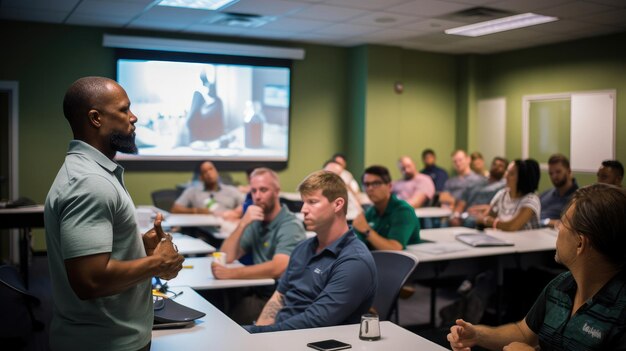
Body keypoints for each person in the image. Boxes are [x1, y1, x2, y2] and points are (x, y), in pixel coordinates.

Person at [44, 77, 184, 351]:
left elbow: (97, 259)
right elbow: (90, 280)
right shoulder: (89, 182)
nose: (134, 117)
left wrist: (138, 247)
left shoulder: (92, 173)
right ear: (95, 118)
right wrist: (157, 264)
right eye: (123, 110)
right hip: (105, 343)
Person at [448, 184, 626, 351]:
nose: (558, 229)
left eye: (562, 224)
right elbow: (524, 333)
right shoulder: (561, 285)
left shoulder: (620, 310)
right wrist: (477, 334)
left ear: (580, 243)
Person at [245, 171, 377, 333]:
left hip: (313, 340)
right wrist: (259, 332)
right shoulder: (303, 248)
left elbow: (315, 321)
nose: (303, 209)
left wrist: (258, 333)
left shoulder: (354, 261)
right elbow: (279, 297)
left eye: (312, 202)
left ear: (337, 204)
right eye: (303, 202)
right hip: (280, 334)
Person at [211, 167, 306, 324]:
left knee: (233, 315)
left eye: (263, 190)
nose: (257, 196)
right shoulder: (256, 221)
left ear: (276, 191)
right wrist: (242, 223)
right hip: (256, 290)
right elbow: (227, 256)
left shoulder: (290, 224)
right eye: (253, 191)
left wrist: (230, 274)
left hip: (279, 297)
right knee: (215, 300)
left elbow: (279, 267)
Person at [352, 165, 421, 250]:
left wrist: (366, 230)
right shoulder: (371, 211)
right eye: (366, 184)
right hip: (379, 260)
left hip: (404, 261)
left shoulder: (403, 211)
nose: (370, 188)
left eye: (376, 184)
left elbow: (395, 248)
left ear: (389, 186)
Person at [476, 159, 541, 231]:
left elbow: (512, 226)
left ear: (522, 178)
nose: (506, 175)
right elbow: (484, 218)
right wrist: (486, 220)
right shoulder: (502, 194)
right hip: (500, 239)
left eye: (511, 173)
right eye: (507, 171)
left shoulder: (531, 199)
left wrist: (491, 222)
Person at [171, 160, 244, 220]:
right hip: (202, 230)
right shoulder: (193, 191)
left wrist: (236, 213)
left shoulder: (231, 190)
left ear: (217, 172)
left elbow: (247, 205)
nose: (209, 173)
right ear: (201, 177)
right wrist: (197, 211)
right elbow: (175, 209)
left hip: (228, 226)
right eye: (205, 172)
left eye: (211, 169)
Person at [450, 157, 508, 228]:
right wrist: (456, 215)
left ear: (505, 170)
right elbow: (462, 202)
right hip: (465, 214)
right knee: (447, 221)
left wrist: (477, 209)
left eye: (501, 166)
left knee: (469, 221)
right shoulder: (476, 182)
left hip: (482, 216)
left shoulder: (504, 186)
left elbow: (496, 207)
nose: (496, 167)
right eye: (494, 164)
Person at [176, 65, 224, 146]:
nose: (207, 88)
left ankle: (188, 122)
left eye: (207, 85)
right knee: (197, 95)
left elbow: (209, 118)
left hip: (208, 135)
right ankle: (187, 122)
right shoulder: (212, 103)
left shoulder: (218, 102)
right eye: (205, 84)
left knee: (197, 95)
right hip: (202, 131)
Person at [540, 154, 578, 228]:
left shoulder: (578, 198)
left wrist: (547, 222)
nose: (554, 176)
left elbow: (569, 225)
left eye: (558, 172)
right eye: (551, 173)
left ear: (569, 171)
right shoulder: (545, 194)